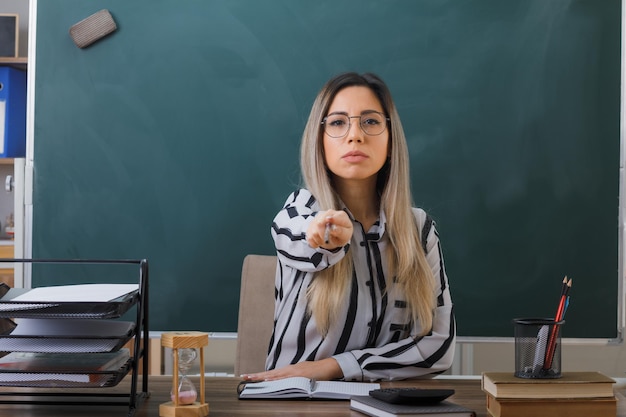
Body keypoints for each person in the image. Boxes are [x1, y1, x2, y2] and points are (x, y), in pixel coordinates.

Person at [244, 72, 455, 382]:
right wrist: (324, 237)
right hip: (294, 403)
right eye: (338, 123)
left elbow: (439, 347)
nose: (355, 135)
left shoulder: (419, 229)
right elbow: (296, 234)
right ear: (320, 141)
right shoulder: (300, 210)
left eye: (370, 122)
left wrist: (334, 366)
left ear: (390, 140)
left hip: (383, 406)